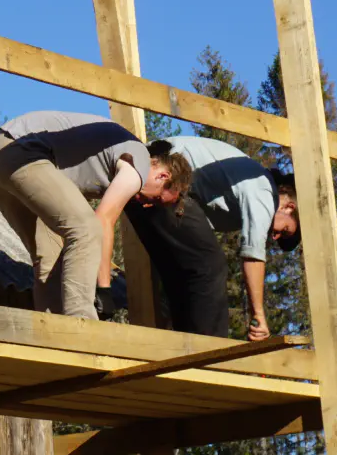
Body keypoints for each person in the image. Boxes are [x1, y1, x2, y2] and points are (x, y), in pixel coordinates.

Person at [0, 111, 190, 318]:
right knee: (86, 228)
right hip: (21, 151)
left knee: (52, 261)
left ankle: (55, 337)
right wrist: (105, 290)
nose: (146, 205)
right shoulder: (139, 165)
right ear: (163, 176)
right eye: (156, 200)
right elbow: (102, 220)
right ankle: (82, 328)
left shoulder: (112, 158)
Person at [122, 135, 300, 339]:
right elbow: (253, 254)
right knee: (210, 265)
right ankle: (209, 352)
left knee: (180, 272)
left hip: (140, 183)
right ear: (288, 207)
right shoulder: (265, 191)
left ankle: (185, 347)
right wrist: (258, 315)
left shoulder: (241, 194)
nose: (275, 237)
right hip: (159, 177)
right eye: (284, 230)